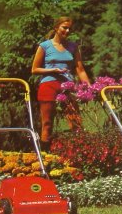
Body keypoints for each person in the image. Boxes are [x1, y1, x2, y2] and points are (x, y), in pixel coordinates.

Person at [31, 16, 91, 151]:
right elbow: (34, 69)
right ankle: (45, 155)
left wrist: (89, 87)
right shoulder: (45, 46)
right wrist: (53, 70)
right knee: (47, 123)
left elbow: (80, 70)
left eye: (70, 29)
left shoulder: (73, 47)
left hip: (67, 86)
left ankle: (78, 151)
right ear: (56, 27)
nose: (67, 31)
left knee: (75, 120)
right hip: (49, 85)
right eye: (65, 27)